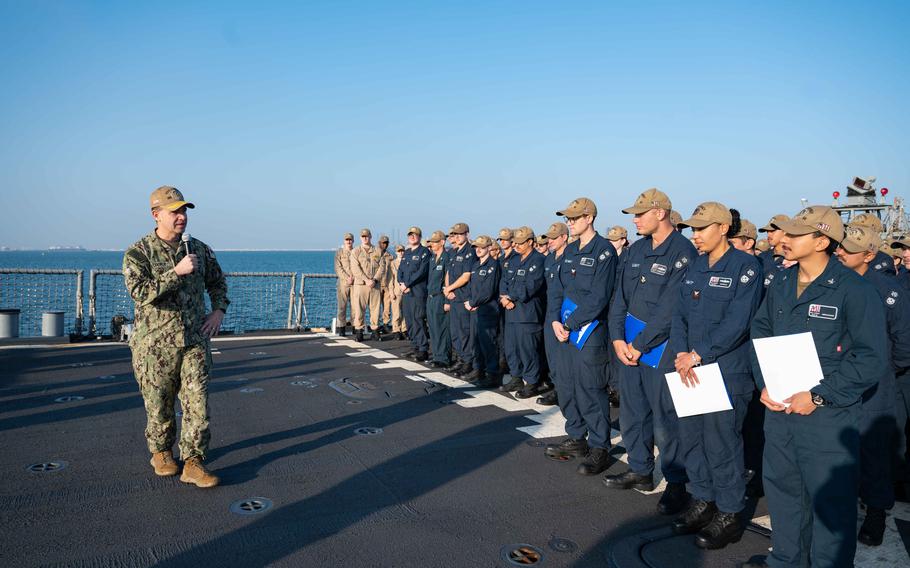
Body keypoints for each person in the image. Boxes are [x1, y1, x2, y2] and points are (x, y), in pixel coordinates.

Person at [745, 206, 888, 568]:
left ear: (822, 241)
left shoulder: (855, 290)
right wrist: (764, 383)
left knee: (830, 511)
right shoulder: (781, 281)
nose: (784, 240)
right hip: (780, 414)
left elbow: (870, 358)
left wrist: (820, 394)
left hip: (827, 418)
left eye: (795, 234)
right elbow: (760, 331)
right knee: (784, 500)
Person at [668, 203, 763, 549]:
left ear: (723, 228)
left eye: (702, 229)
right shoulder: (694, 267)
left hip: (725, 372)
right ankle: (703, 500)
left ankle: (729, 512)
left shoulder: (745, 267)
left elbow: (738, 322)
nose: (695, 236)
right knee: (693, 440)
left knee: (722, 444)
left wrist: (697, 354)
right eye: (692, 229)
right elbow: (679, 315)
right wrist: (682, 354)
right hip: (689, 368)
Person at [123, 185, 228, 488]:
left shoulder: (198, 248)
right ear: (156, 215)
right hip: (154, 346)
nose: (181, 217)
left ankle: (194, 462)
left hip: (194, 340)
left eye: (184, 210)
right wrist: (175, 273)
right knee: (159, 405)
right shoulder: (138, 253)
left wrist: (218, 311)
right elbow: (139, 292)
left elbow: (218, 283)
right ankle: (161, 451)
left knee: (198, 402)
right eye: (175, 211)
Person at [604, 188, 697, 515]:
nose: (635, 219)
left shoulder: (683, 252)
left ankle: (676, 483)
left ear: (660, 212)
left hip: (662, 348)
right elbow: (619, 297)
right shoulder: (636, 250)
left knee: (666, 418)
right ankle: (641, 469)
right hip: (628, 347)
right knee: (633, 410)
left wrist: (639, 344)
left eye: (640, 213)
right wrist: (617, 338)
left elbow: (672, 308)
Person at [835, 225, 910, 546]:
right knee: (839, 447)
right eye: (840, 247)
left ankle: (877, 512)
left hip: (876, 385)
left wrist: (879, 371)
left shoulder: (888, 291)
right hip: (838, 379)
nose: (840, 252)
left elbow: (904, 343)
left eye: (849, 249)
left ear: (868, 255)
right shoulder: (832, 284)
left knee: (874, 449)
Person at [545, 197, 617, 476]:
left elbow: (599, 296)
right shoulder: (570, 250)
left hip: (589, 331)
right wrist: (554, 319)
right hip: (564, 329)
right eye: (568, 219)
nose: (569, 223)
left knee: (591, 388)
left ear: (589, 218)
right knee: (568, 384)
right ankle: (576, 436)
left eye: (574, 218)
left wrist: (571, 322)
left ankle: (599, 446)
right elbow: (556, 290)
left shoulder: (604, 251)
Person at [499, 226, 547, 398]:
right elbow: (503, 281)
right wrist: (504, 298)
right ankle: (516, 376)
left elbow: (531, 285)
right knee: (512, 348)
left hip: (528, 313)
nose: (516, 246)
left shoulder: (539, 260)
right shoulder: (513, 260)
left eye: (520, 243)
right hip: (511, 312)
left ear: (530, 242)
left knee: (528, 350)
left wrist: (510, 297)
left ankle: (532, 381)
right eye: (515, 243)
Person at [464, 235, 502, 387]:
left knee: (489, 343)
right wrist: (469, 301)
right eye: (476, 247)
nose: (478, 250)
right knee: (477, 341)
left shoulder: (492, 265)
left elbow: (488, 291)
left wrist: (473, 302)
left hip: (488, 309)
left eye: (481, 247)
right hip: (476, 310)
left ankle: (492, 374)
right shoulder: (475, 265)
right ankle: (479, 370)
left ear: (488, 248)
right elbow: (471, 287)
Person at [539, 222, 569, 407]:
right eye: (548, 237)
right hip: (550, 313)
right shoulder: (549, 260)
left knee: (563, 356)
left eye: (554, 237)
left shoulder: (570, 257)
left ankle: (563, 390)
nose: (549, 241)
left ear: (564, 237)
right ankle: (557, 387)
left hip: (566, 314)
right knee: (551, 353)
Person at [443, 223, 476, 377]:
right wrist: (447, 289)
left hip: (463, 297)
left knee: (464, 332)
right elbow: (449, 272)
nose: (456, 237)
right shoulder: (454, 252)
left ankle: (467, 361)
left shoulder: (470, 252)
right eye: (455, 234)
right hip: (453, 298)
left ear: (467, 235)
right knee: (455, 331)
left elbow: (466, 276)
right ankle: (460, 358)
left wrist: (450, 289)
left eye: (460, 234)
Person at [398, 226, 431, 362]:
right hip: (406, 293)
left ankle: (423, 349)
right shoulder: (406, 253)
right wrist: (401, 283)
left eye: (415, 235)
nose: (412, 237)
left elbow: (421, 272)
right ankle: (415, 346)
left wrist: (407, 284)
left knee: (418, 320)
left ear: (420, 237)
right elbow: (400, 270)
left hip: (417, 292)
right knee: (409, 320)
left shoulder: (424, 252)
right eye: (410, 235)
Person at [350, 228, 386, 342]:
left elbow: (382, 267)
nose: (365, 238)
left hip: (375, 284)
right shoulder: (355, 251)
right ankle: (359, 331)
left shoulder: (377, 251)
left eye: (367, 236)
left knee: (375, 309)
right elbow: (355, 268)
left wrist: (374, 279)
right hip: (361, 284)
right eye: (363, 236)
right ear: (360, 238)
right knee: (359, 309)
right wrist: (366, 279)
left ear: (370, 237)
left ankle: (375, 331)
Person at [426, 231, 452, 368]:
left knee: (442, 328)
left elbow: (448, 279)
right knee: (433, 328)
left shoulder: (446, 258)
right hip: (431, 297)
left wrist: (448, 301)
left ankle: (444, 357)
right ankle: (436, 355)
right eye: (432, 242)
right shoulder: (432, 258)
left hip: (440, 297)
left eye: (435, 241)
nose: (432, 244)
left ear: (442, 242)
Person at [757, 215, 789, 289]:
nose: (768, 234)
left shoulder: (794, 259)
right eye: (767, 231)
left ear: (785, 231)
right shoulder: (762, 257)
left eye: (772, 231)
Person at [334, 232, 355, 335]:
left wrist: (354, 278)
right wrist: (347, 278)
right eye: (347, 240)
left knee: (355, 307)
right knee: (342, 306)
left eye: (350, 239)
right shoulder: (339, 253)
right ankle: (341, 327)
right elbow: (338, 268)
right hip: (343, 283)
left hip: (355, 283)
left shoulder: (356, 252)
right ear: (344, 241)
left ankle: (355, 327)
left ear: (353, 241)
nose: (349, 241)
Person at [387, 245, 406, 340]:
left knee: (405, 311)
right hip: (396, 290)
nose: (401, 253)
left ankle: (404, 328)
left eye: (402, 251)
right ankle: (396, 329)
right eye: (399, 251)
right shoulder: (392, 264)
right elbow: (390, 279)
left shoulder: (407, 262)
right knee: (396, 312)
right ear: (396, 252)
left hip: (406, 291)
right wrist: (391, 292)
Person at [378, 235, 394, 333]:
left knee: (387, 306)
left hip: (387, 284)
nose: (385, 245)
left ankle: (385, 324)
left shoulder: (390, 256)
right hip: (377, 284)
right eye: (383, 243)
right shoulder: (375, 255)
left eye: (386, 243)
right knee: (375, 306)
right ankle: (375, 325)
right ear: (379, 243)